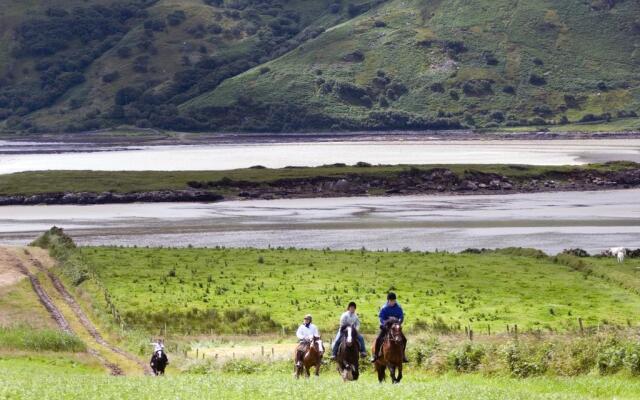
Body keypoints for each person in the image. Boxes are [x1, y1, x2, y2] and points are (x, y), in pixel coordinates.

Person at [371, 292, 408, 363]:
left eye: (394, 300)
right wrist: (384, 324)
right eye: (391, 301)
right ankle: (375, 355)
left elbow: (401, 316)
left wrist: (399, 323)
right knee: (378, 339)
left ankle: (403, 355)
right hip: (386, 327)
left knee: (404, 339)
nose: (392, 302)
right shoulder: (384, 308)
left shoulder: (398, 307)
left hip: (396, 328)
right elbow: (381, 317)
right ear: (388, 300)